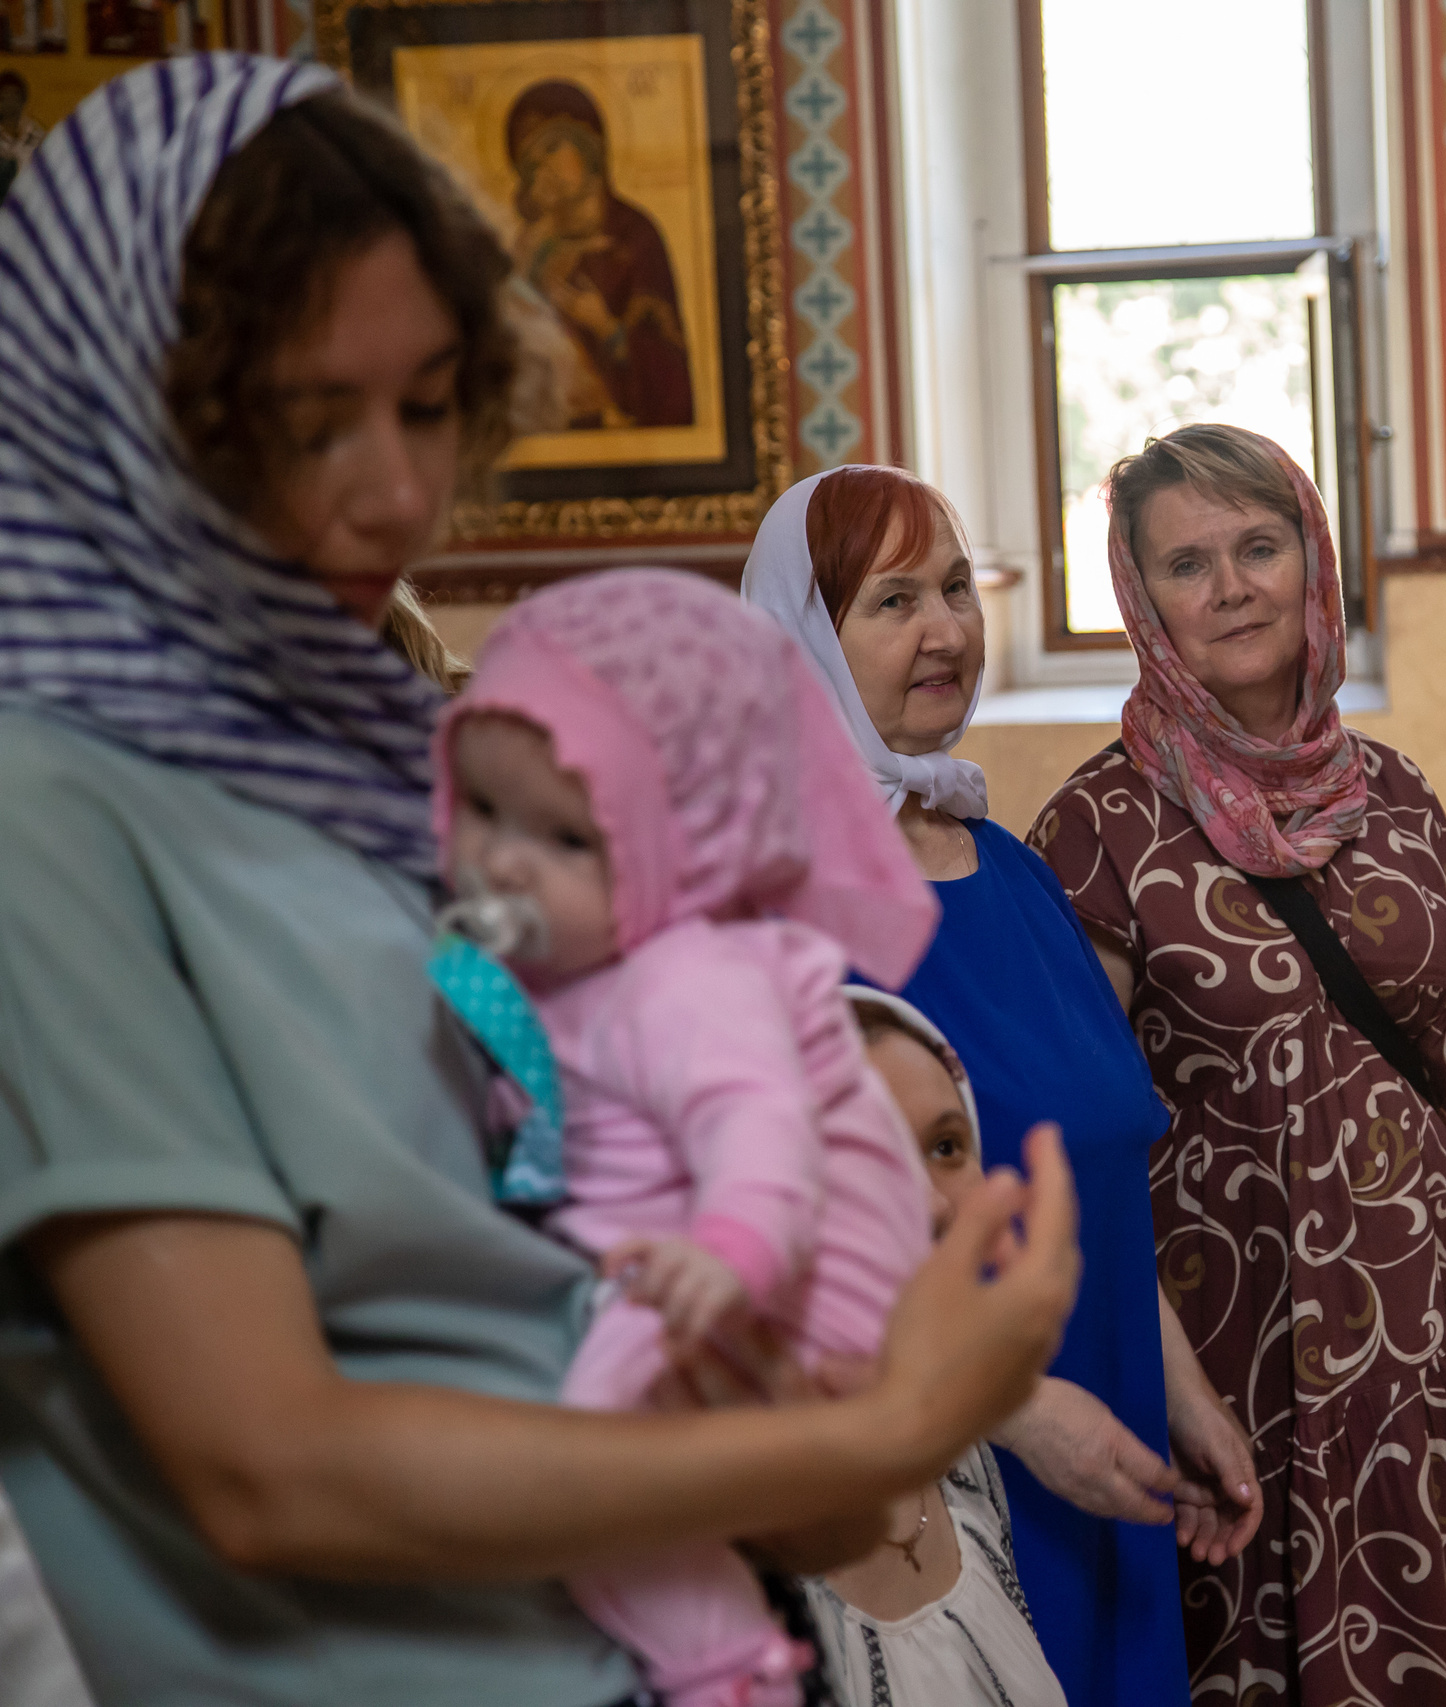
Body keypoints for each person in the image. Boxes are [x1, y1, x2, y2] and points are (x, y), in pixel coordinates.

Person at [0, 60, 1076, 1706]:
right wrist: (882, 1424)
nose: (396, 490)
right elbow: (267, 1463)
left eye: (429, 402)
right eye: (307, 424)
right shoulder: (50, 805)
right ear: (115, 412)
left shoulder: (361, 747)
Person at [1031, 423, 1446, 1702]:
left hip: (1425, 1345)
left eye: (1260, 546)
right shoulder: (1095, 827)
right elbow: (1085, 1138)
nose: (1230, 588)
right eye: (1187, 563)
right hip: (1228, 1355)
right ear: (1141, 597)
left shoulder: (1395, 798)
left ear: (1313, 561)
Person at [742, 465, 1243, 1707]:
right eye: (892, 601)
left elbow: (1095, 1172)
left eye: (958, 590)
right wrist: (1016, 1414)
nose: (947, 631)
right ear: (801, 640)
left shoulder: (1009, 869)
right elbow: (791, 1253)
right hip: (946, 1472)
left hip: (1110, 1433)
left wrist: (1183, 1396)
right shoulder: (776, 902)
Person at [433, 569, 947, 1707]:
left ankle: (724, 1668)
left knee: (594, 1464)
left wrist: (725, 1255)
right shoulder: (580, 960)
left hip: (756, 1277)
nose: (503, 863)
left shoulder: (685, 979)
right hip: (694, 1265)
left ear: (688, 842)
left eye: (565, 837)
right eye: (483, 812)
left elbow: (764, 1136)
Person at [805, 989, 1070, 1707]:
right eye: (866, 1152)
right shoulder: (691, 1549)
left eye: (946, 1145)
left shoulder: (962, 1473)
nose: (929, 1203)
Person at [505, 79, 693, 430]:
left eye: (554, 146)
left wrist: (606, 328)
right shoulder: (530, 252)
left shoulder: (636, 238)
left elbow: (671, 385)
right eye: (531, 163)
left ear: (589, 146)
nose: (545, 169)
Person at [0, 73, 40, 202]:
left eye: (15, 96)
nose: (10, 102)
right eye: (4, 97)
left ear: (23, 99)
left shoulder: (37, 135)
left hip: (30, 201)